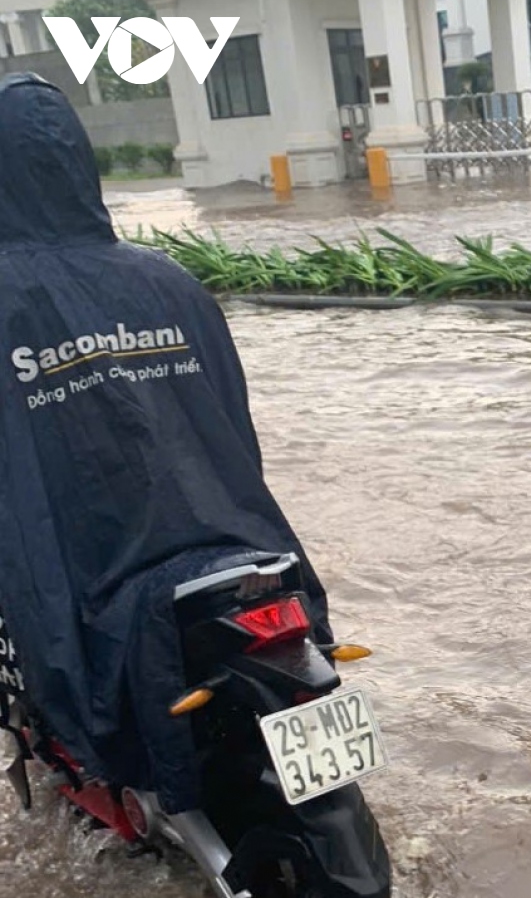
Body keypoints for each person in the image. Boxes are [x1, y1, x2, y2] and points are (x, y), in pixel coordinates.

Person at [0, 73, 331, 813]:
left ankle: (93, 766)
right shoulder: (173, 283)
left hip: (97, 580)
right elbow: (234, 437)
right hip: (240, 553)